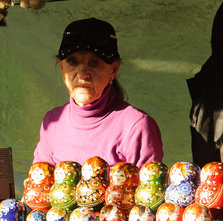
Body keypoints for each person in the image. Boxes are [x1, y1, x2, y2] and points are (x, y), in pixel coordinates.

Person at [32, 18, 163, 166]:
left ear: (113, 69)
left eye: (94, 62)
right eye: (72, 61)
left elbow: (149, 188)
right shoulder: (52, 122)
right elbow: (39, 185)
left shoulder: (135, 126)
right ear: (61, 66)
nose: (82, 74)